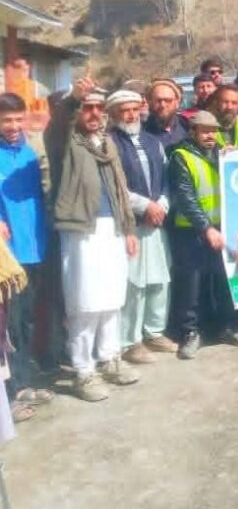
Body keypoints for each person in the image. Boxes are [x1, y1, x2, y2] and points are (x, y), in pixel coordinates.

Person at [48, 76, 139, 402]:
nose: (95, 113)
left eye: (100, 108)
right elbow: (59, 124)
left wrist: (128, 229)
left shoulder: (107, 142)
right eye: (89, 108)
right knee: (84, 304)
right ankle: (83, 371)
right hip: (81, 231)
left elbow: (119, 189)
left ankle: (110, 358)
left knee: (112, 299)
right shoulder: (65, 142)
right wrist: (74, 99)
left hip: (112, 231)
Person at [168, 111, 238, 358]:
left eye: (213, 130)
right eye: (204, 131)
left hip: (222, 228)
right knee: (191, 285)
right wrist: (206, 228)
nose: (210, 135)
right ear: (192, 132)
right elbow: (185, 198)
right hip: (191, 232)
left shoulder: (222, 154)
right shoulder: (180, 156)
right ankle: (189, 333)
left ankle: (228, 327)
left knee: (224, 282)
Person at [106, 90, 177, 364]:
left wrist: (161, 205)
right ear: (113, 113)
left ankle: (154, 332)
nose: (131, 115)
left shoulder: (152, 140)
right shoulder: (109, 143)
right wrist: (144, 206)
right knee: (134, 283)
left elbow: (168, 178)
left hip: (157, 219)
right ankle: (130, 340)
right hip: (131, 223)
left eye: (135, 109)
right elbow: (114, 186)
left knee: (160, 278)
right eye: (125, 110)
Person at [0, 93, 54, 422]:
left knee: (29, 318)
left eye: (18, 119)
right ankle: (13, 392)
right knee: (11, 326)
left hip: (35, 247)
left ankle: (24, 383)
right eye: (7, 120)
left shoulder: (31, 152)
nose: (14, 126)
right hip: (9, 255)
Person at [208, 84, 238, 149]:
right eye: (225, 102)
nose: (229, 107)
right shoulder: (204, 128)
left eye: (234, 103)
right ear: (216, 102)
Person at [144, 79, 188, 151]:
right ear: (150, 102)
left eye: (168, 100)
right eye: (158, 101)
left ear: (177, 102)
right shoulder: (143, 132)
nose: (163, 105)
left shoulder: (187, 126)